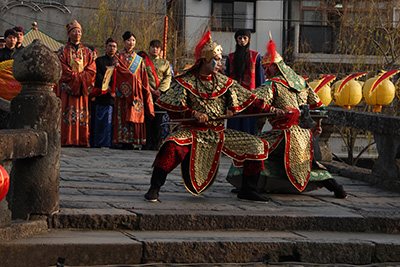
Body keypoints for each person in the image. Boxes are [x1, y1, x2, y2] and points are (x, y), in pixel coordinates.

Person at [144, 31, 279, 203]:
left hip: (218, 131)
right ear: (205, 59)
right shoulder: (186, 81)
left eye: (220, 59)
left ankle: (248, 189)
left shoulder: (224, 82)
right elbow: (174, 105)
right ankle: (154, 187)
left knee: (257, 145)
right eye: (216, 59)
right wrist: (193, 113)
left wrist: (273, 109)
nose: (219, 64)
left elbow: (250, 100)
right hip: (192, 131)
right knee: (171, 146)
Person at [226, 39, 348, 199]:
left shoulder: (272, 85)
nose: (264, 72)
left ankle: (248, 189)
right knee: (308, 165)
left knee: (253, 147)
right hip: (305, 136)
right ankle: (337, 188)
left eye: (266, 67)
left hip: (283, 134)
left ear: (275, 66)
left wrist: (230, 103)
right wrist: (317, 125)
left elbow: (252, 101)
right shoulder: (302, 83)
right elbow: (320, 107)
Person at [57, 20, 96, 147]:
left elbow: (92, 69)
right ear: (69, 34)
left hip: (82, 89)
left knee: (82, 114)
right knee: (68, 112)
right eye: (74, 31)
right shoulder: (62, 51)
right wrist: (77, 77)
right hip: (69, 89)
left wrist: (81, 78)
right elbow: (61, 69)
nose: (77, 33)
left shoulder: (88, 52)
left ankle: (82, 140)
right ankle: (67, 139)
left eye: (79, 31)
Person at [113, 31, 154, 149]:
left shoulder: (139, 59)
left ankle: (135, 139)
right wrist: (130, 79)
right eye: (128, 40)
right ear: (124, 42)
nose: (131, 43)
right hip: (123, 92)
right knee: (123, 115)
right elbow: (118, 73)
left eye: (133, 40)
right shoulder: (118, 57)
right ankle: (123, 140)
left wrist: (146, 91)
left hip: (137, 93)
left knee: (135, 114)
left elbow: (143, 77)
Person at [225, 29, 265, 135]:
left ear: (249, 40)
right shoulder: (230, 57)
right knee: (233, 132)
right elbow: (226, 79)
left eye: (245, 38)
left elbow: (260, 80)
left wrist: (260, 101)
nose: (242, 40)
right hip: (234, 100)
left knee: (249, 131)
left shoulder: (256, 57)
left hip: (250, 100)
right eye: (239, 38)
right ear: (236, 40)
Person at [139, 39, 172, 150]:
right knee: (147, 118)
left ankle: (156, 143)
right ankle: (146, 143)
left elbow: (168, 77)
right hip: (147, 93)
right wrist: (150, 89)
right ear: (149, 48)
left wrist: (160, 90)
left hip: (160, 94)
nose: (154, 49)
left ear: (160, 50)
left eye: (157, 47)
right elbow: (140, 77)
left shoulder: (165, 63)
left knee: (158, 119)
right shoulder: (142, 61)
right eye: (152, 47)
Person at [91, 38, 118, 148]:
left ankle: (111, 143)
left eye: (114, 46)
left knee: (111, 122)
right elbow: (97, 76)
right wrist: (107, 87)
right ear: (105, 47)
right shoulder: (99, 61)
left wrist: (114, 89)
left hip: (114, 97)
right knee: (100, 122)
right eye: (110, 46)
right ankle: (99, 143)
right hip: (102, 96)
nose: (112, 48)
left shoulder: (118, 62)